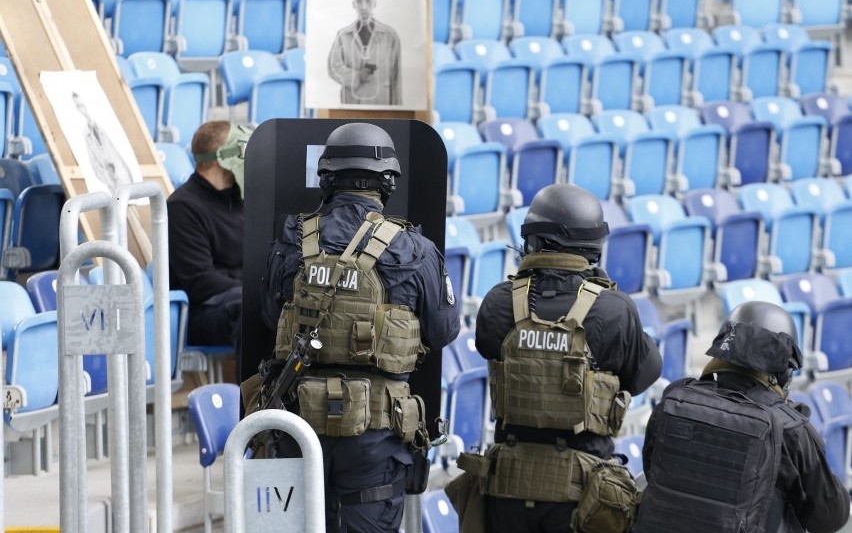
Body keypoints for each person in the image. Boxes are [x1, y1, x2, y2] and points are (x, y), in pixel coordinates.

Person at [258, 122, 460, 532]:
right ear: (387, 183)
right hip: (375, 435)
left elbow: (268, 314)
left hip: (297, 423)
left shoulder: (294, 237)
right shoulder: (414, 249)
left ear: (326, 177)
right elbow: (442, 332)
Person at [448, 184, 662, 533]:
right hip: (581, 497)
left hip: (506, 493)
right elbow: (645, 374)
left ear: (533, 239)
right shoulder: (614, 309)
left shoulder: (500, 302)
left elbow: (489, 346)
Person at [636, 301, 851, 533]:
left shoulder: (675, 399)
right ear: (784, 369)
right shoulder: (789, 427)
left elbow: (651, 470)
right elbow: (831, 518)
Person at [167, 121, 245, 355]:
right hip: (202, 310)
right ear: (223, 157)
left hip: (238, 295)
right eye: (242, 150)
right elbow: (201, 282)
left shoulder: (241, 199)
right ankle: (253, 392)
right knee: (254, 307)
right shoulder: (182, 207)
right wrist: (258, 290)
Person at [327, 0, 401, 106]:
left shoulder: (390, 35)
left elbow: (397, 75)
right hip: (352, 102)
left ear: (375, 3)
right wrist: (356, 76)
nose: (364, 7)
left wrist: (397, 107)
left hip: (382, 102)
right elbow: (333, 67)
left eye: (368, 1)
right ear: (353, 5)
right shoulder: (343, 35)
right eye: (359, 1)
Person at [72, 91, 134, 195]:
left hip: (123, 174)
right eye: (78, 107)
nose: (82, 109)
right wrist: (107, 176)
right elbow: (94, 164)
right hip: (111, 184)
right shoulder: (86, 135)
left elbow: (123, 150)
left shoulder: (106, 124)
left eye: (82, 105)